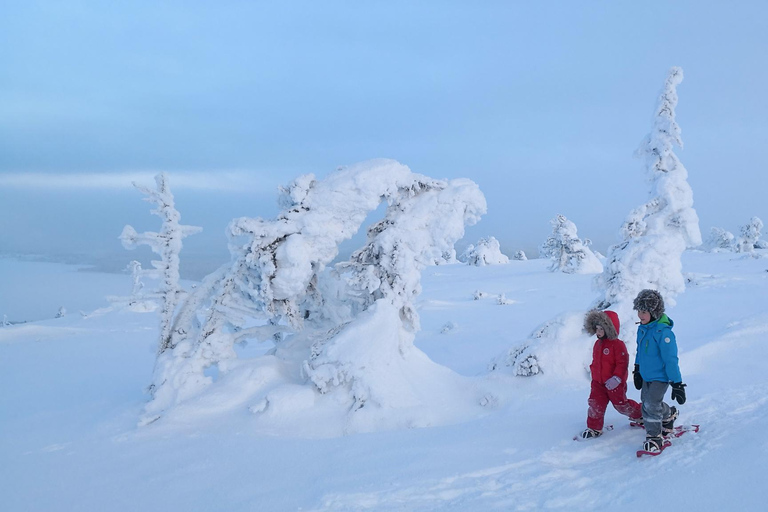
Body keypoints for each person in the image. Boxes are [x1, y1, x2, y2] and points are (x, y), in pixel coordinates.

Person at [632, 289, 687, 453]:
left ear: (654, 312)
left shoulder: (664, 333)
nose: (640, 315)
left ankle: (654, 436)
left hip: (661, 377)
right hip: (646, 375)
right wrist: (637, 369)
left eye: (643, 311)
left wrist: (677, 383)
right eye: (638, 311)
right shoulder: (642, 329)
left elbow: (671, 360)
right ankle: (669, 414)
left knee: (651, 403)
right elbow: (640, 351)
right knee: (646, 402)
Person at [580, 309, 642, 439]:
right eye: (596, 329)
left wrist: (617, 378)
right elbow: (596, 361)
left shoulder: (618, 345)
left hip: (614, 384)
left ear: (609, 329)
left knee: (621, 405)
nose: (598, 332)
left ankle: (640, 413)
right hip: (598, 383)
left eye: (601, 329)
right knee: (595, 404)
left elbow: (622, 363)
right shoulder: (597, 344)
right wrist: (594, 373)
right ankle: (594, 428)